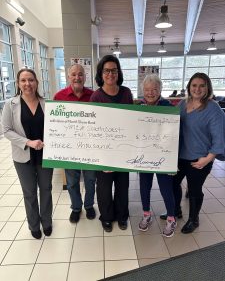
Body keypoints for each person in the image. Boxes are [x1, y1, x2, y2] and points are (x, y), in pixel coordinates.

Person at [166, 73, 225, 234]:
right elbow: (169, 123)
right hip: (179, 156)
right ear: (189, 87)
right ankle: (175, 210)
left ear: (208, 88)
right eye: (194, 85)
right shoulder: (183, 104)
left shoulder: (213, 109)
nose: (197, 89)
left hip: (200, 158)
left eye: (202, 85)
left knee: (194, 189)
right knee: (172, 184)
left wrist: (207, 159)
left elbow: (219, 137)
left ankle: (194, 219)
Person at [2, 68, 53, 239]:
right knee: (29, 192)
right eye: (23, 80)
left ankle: (46, 221)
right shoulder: (11, 105)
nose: (27, 84)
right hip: (23, 157)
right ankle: (34, 224)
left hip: (45, 155)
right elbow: (7, 131)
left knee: (46, 189)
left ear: (36, 82)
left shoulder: (47, 103)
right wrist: (28, 143)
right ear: (18, 84)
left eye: (30, 80)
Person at [90, 55, 133, 232]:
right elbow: (93, 128)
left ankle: (122, 215)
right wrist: (101, 157)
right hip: (104, 152)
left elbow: (132, 121)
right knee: (104, 188)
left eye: (114, 70)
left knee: (123, 186)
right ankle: (106, 217)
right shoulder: (96, 96)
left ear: (118, 72)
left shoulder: (126, 93)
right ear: (101, 73)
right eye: (106, 70)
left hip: (123, 150)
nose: (110, 74)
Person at [54, 64, 96, 223]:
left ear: (85, 77)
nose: (77, 77)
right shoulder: (59, 97)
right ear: (68, 76)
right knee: (71, 182)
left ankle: (89, 205)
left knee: (91, 180)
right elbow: (55, 124)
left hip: (90, 148)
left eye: (80, 74)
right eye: (73, 74)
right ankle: (76, 207)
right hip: (69, 149)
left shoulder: (93, 96)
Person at [137, 74, 177, 237]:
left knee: (166, 189)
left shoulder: (169, 107)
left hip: (164, 157)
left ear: (160, 90)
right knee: (144, 187)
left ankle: (171, 218)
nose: (151, 93)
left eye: (154, 89)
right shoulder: (138, 108)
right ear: (142, 91)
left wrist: (173, 161)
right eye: (147, 90)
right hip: (143, 157)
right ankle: (146, 214)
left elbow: (176, 135)